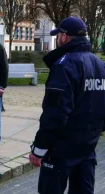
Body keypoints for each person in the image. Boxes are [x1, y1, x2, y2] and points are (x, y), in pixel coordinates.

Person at [29, 16, 105, 194]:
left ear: (63, 36)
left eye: (58, 35)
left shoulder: (64, 65)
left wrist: (39, 149)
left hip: (61, 149)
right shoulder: (99, 64)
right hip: (87, 147)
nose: (57, 39)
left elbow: (55, 113)